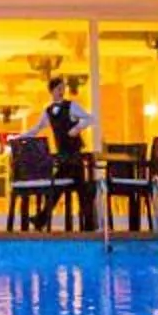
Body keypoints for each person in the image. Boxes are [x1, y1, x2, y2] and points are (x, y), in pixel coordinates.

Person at [28, 73, 96, 232]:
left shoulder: (71, 105)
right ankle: (88, 225)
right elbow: (37, 128)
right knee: (72, 188)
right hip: (64, 158)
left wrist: (77, 128)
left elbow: (90, 118)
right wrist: (20, 137)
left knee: (71, 188)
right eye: (59, 88)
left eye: (63, 88)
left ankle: (42, 219)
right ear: (51, 91)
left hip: (75, 156)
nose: (62, 91)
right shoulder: (48, 111)